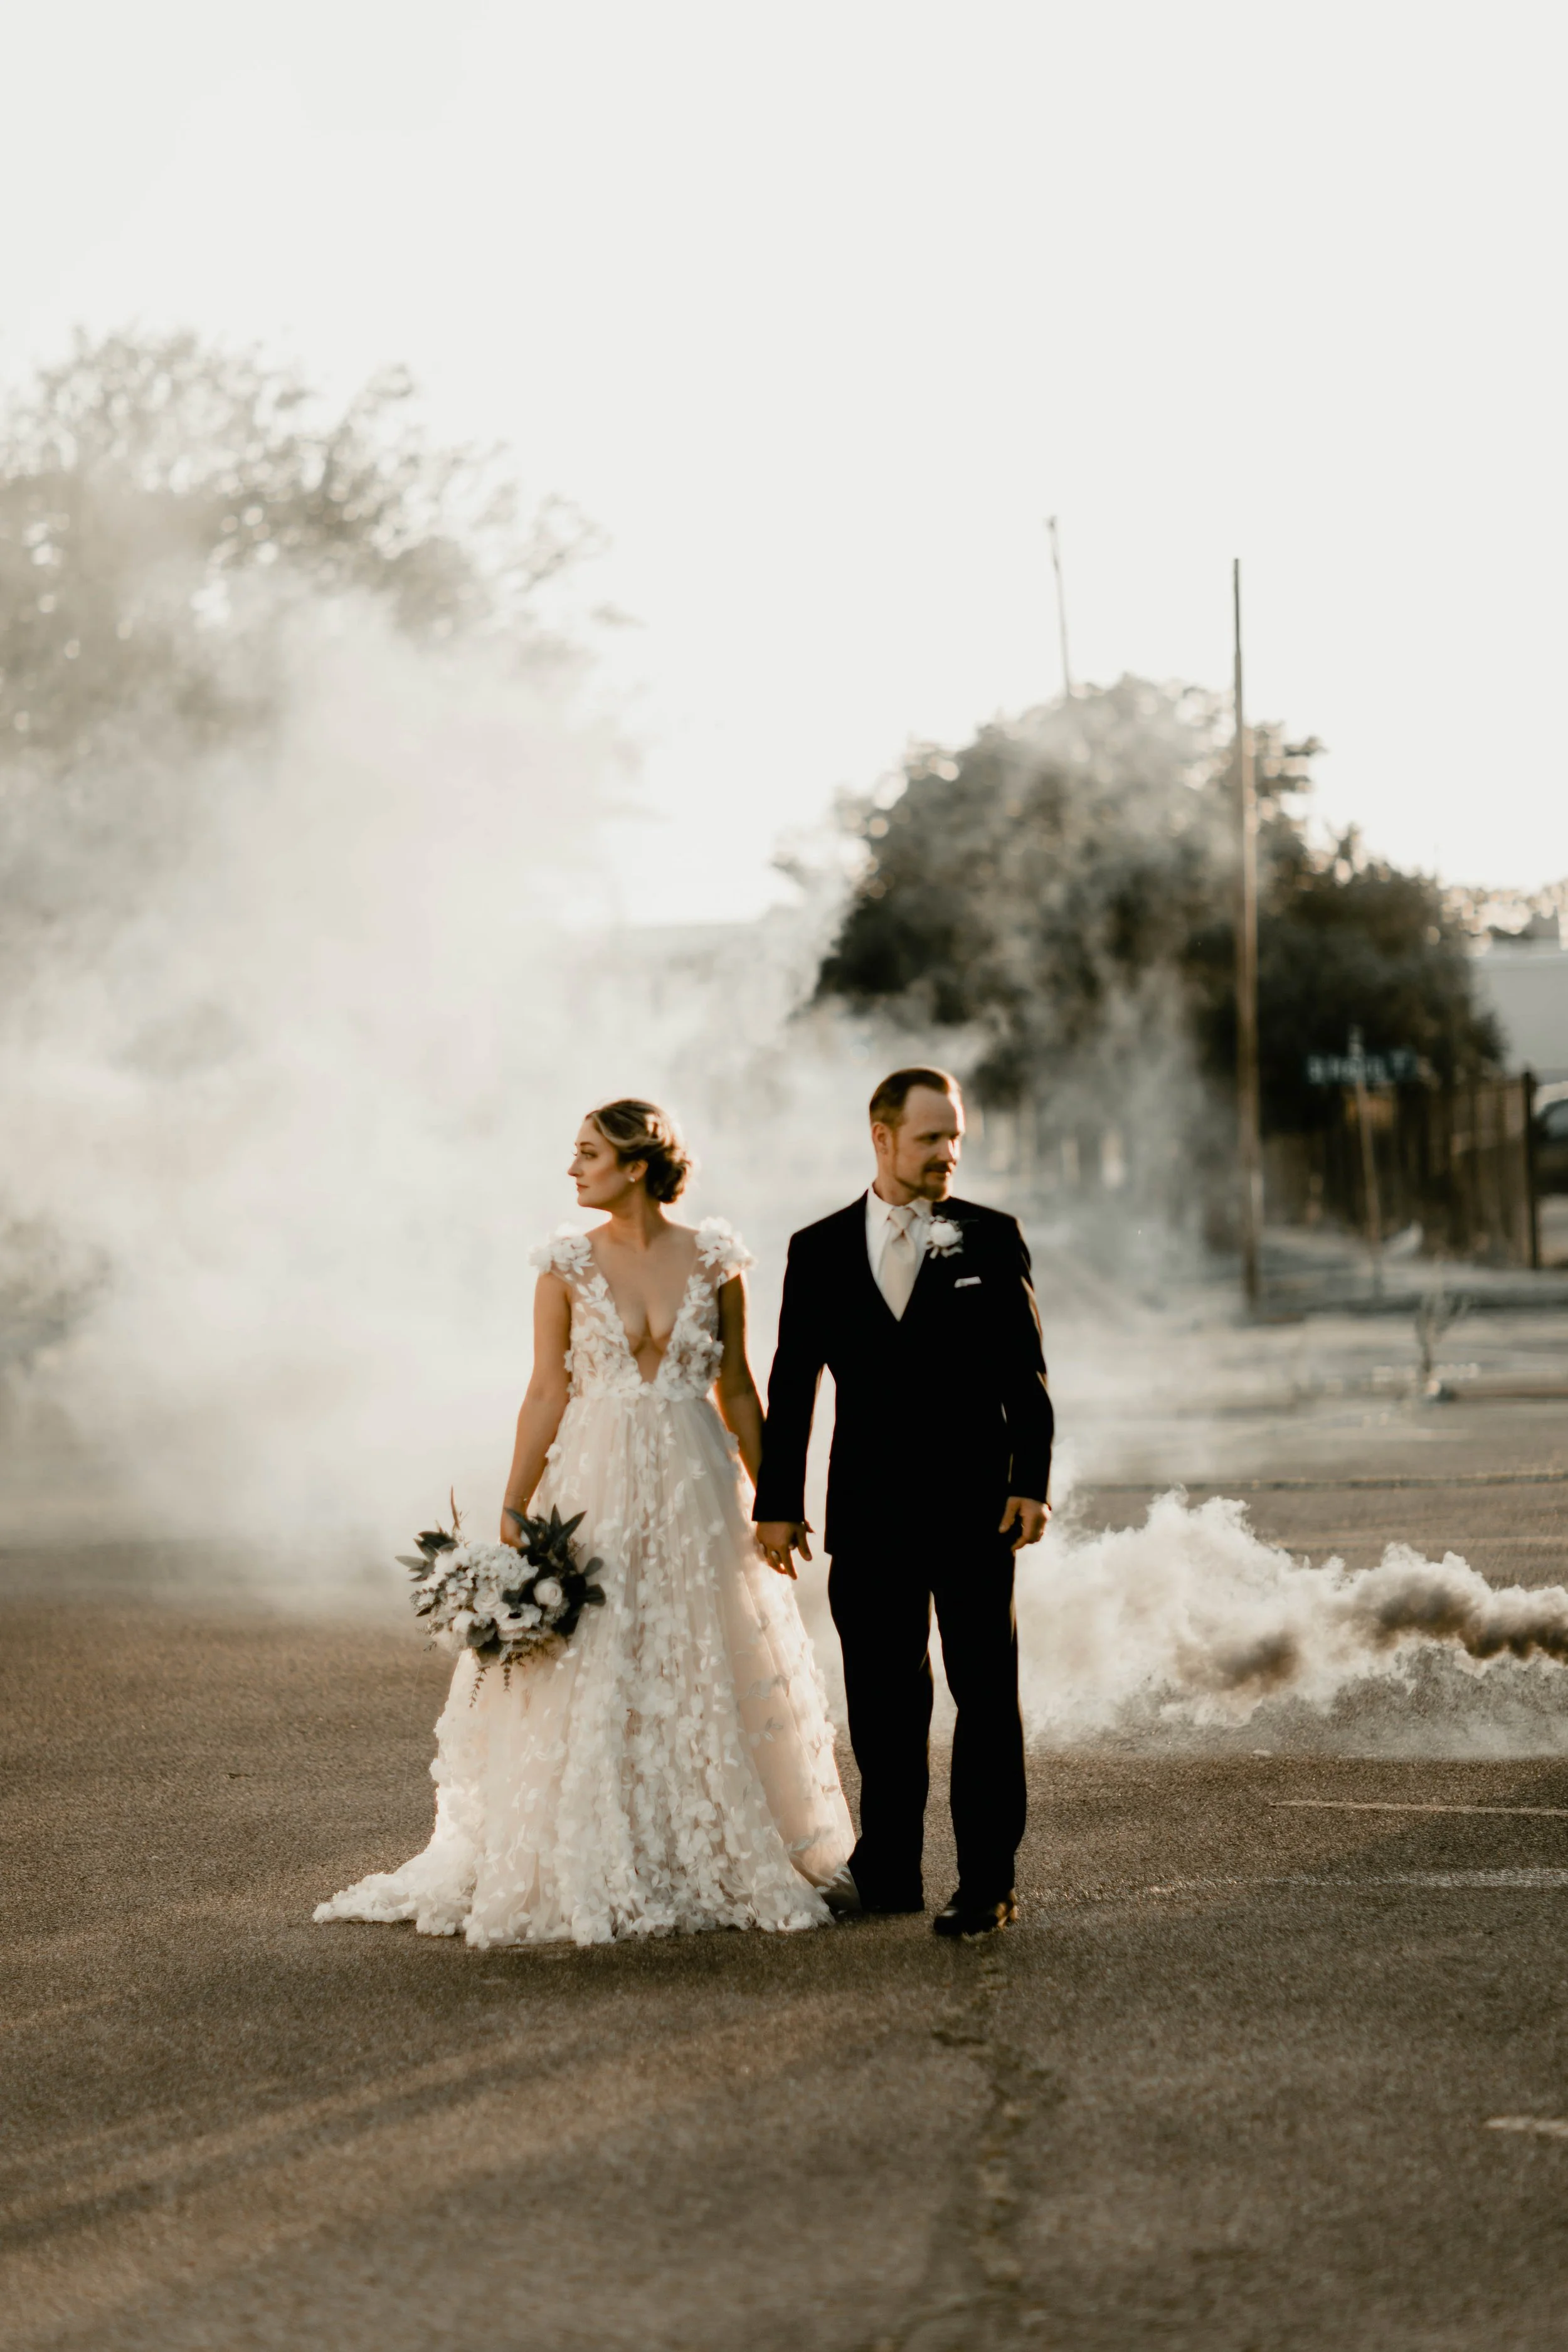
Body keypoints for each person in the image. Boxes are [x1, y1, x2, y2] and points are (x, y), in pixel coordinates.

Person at [316, 1098, 853, 1946]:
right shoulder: (564, 1266)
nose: (573, 1168)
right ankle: (596, 1847)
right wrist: (511, 1511)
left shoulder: (716, 1260)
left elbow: (741, 1388)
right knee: (595, 1658)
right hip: (593, 1483)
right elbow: (546, 1392)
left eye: (589, 1153)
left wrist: (777, 1499)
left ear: (637, 1165)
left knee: (700, 1652)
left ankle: (707, 1843)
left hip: (696, 1486)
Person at [754, 1068, 1052, 1939]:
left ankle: (988, 1880)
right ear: (882, 1137)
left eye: (955, 1136)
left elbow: (1024, 1374)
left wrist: (1029, 1479)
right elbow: (793, 1383)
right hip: (870, 1513)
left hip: (974, 1510)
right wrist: (780, 1502)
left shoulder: (991, 1238)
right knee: (884, 1704)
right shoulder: (817, 1249)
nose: (948, 1153)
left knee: (986, 1696)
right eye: (931, 1138)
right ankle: (886, 1868)